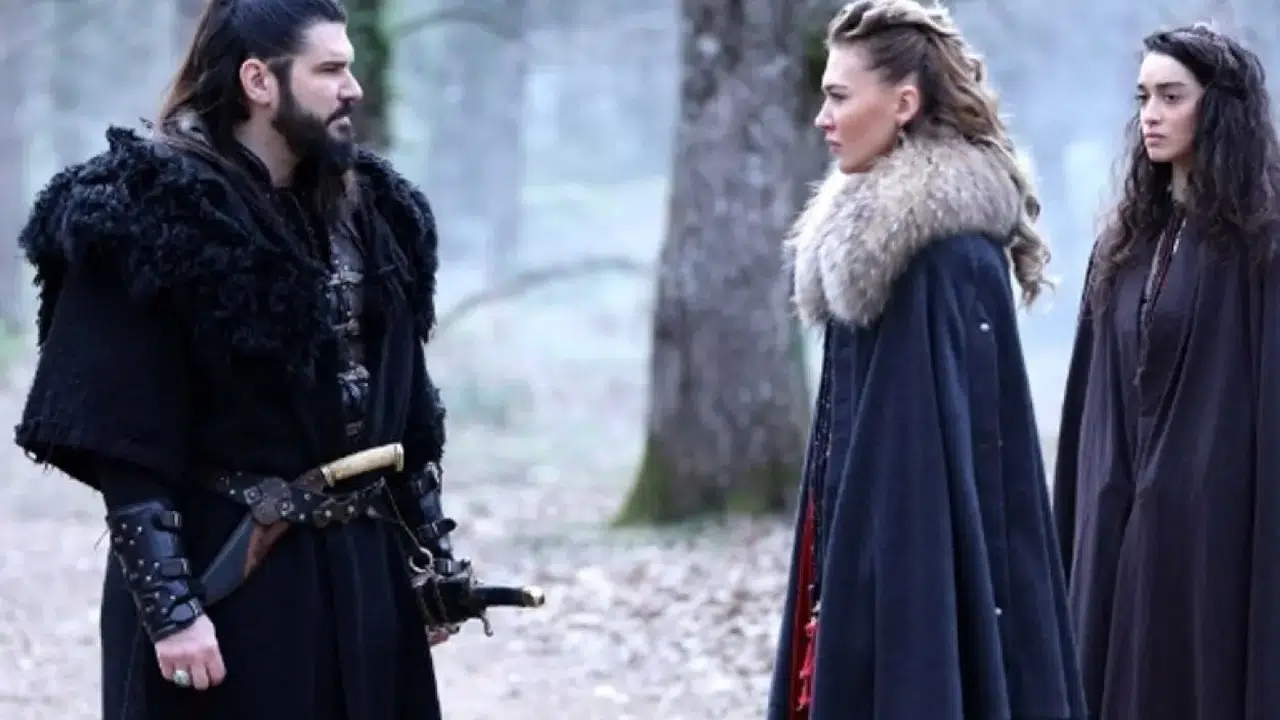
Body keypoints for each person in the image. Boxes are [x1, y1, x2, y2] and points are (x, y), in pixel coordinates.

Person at [14, 1, 463, 718]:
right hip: (228, 574)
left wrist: (431, 560)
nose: (353, 88)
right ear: (259, 80)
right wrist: (171, 610)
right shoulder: (149, 216)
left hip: (363, 570)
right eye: (330, 69)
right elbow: (121, 438)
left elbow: (408, 412)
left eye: (350, 67)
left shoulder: (375, 210)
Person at [766, 1, 1087, 718]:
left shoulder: (949, 259)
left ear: (904, 103)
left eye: (838, 97)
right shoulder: (864, 247)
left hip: (916, 575)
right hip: (862, 553)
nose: (822, 118)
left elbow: (960, 486)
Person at [1052, 23, 1280, 720]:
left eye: (1171, 96)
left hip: (1215, 536)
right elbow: (1090, 411)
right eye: (1143, 97)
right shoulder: (1121, 248)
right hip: (1119, 529)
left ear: (1220, 108)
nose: (1150, 114)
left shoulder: (1260, 246)